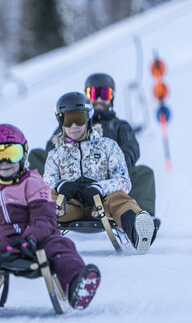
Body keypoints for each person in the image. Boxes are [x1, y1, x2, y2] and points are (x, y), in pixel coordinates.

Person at [0, 123, 101, 317]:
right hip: (3, 242)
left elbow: (45, 218)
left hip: (40, 240)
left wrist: (31, 238)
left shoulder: (33, 183)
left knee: (62, 245)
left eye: (12, 154)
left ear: (23, 155)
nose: (4, 162)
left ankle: (76, 285)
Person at [43, 92, 158, 254]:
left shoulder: (108, 146)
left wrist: (100, 187)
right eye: (68, 120)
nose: (74, 126)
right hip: (70, 205)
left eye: (79, 119)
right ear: (61, 121)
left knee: (119, 198)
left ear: (88, 119)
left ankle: (137, 228)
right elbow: (47, 180)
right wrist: (61, 185)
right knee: (49, 200)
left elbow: (123, 180)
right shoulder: (56, 153)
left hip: (102, 204)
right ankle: (35, 235)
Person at [27, 73, 156, 215]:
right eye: (94, 93)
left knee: (143, 173)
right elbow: (52, 147)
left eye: (104, 94)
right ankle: (35, 208)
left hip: (108, 180)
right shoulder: (72, 122)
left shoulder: (120, 126)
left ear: (112, 97)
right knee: (37, 155)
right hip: (70, 180)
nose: (99, 99)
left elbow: (132, 150)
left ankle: (141, 218)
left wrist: (107, 163)